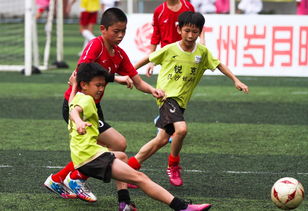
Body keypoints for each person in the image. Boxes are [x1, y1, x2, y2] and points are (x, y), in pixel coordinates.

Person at [44, 7, 165, 204]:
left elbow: (136, 80)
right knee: (117, 144)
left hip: (93, 107)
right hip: (77, 105)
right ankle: (76, 180)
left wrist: (152, 90)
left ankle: (58, 179)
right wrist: (114, 78)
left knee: (98, 149)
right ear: (103, 29)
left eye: (123, 31)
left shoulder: (119, 54)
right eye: (116, 31)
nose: (120, 35)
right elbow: (82, 71)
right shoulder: (95, 45)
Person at [64, 62, 212, 211]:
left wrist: (74, 87)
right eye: (98, 85)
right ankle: (182, 207)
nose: (101, 89)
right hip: (91, 157)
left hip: (82, 156)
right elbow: (74, 112)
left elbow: (72, 106)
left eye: (103, 85)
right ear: (84, 84)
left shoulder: (77, 96)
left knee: (121, 156)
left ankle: (124, 202)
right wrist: (79, 121)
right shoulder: (87, 100)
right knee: (141, 178)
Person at [128, 11, 249, 187]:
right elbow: (148, 58)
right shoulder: (170, 49)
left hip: (181, 102)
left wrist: (236, 80)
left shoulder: (202, 52)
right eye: (187, 31)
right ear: (179, 29)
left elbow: (219, 64)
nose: (191, 35)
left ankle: (129, 171)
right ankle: (173, 165)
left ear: (200, 31)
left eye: (195, 32)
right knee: (182, 129)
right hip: (167, 97)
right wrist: (128, 73)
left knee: (161, 140)